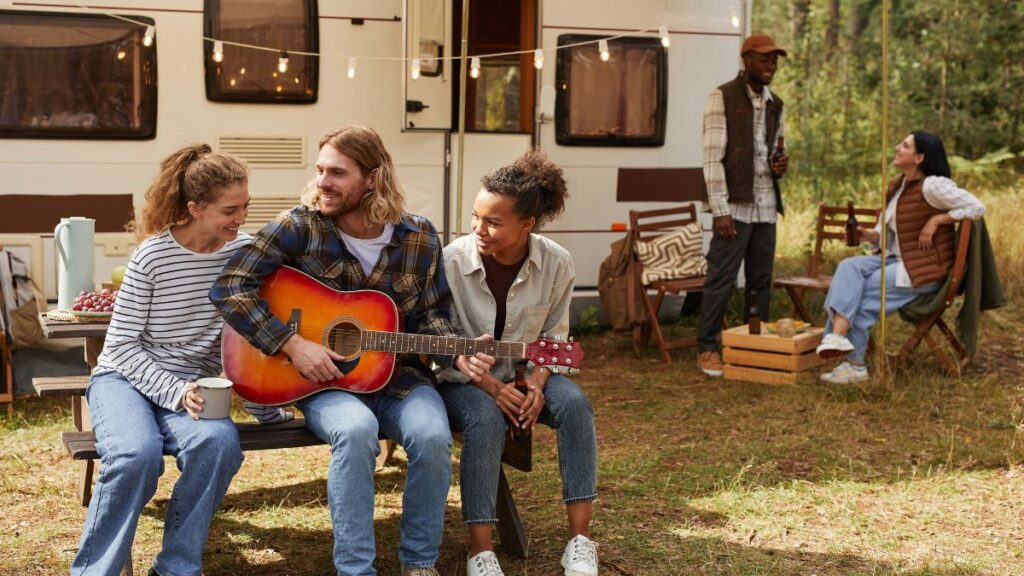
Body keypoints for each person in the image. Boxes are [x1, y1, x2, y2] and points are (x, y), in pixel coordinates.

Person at [210, 125, 489, 576]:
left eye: (337, 173)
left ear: (373, 178)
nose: (323, 182)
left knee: (433, 438)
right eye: (320, 170)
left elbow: (432, 314)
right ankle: (356, 570)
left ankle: (419, 563)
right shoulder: (298, 227)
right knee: (358, 432)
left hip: (399, 378)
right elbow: (230, 286)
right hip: (321, 381)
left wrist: (455, 351)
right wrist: (291, 344)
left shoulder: (418, 236)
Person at [72, 144, 291, 576]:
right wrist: (175, 391)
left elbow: (252, 333)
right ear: (195, 208)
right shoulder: (152, 256)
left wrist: (264, 403)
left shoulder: (244, 254)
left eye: (245, 206)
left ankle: (175, 567)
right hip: (124, 380)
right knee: (135, 456)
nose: (241, 218)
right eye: (230, 210)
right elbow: (119, 347)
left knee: (219, 446)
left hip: (195, 386)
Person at [437, 150, 599, 576]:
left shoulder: (556, 262)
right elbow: (443, 340)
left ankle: (580, 542)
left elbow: (554, 338)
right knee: (485, 422)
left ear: (526, 225)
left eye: (492, 221)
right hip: (463, 381)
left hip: (529, 375)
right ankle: (480, 552)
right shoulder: (452, 261)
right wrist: (492, 387)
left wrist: (539, 385)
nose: (479, 229)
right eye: (475, 216)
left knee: (577, 407)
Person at [815, 131, 986, 383]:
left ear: (919, 157)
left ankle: (855, 366)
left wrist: (937, 219)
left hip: (923, 271)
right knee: (848, 267)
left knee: (859, 297)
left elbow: (977, 206)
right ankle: (837, 338)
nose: (897, 147)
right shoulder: (898, 184)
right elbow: (887, 235)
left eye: (904, 145)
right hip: (898, 260)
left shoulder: (933, 185)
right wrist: (868, 236)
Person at [697, 33, 789, 377]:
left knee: (760, 281)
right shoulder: (722, 97)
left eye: (774, 60)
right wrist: (719, 210)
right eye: (764, 59)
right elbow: (711, 160)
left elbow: (776, 150)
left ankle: (756, 345)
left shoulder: (775, 103)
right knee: (720, 279)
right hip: (734, 208)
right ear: (746, 59)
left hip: (766, 206)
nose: (770, 66)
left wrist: (782, 165)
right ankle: (707, 348)